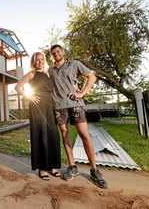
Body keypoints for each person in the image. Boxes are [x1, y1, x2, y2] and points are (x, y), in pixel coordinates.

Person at [49, 44, 107, 189]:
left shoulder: (74, 64)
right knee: (65, 134)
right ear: (52, 56)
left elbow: (92, 77)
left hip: (75, 105)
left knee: (84, 134)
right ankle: (72, 166)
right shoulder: (50, 70)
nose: (56, 53)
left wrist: (82, 92)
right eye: (53, 52)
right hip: (59, 107)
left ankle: (94, 170)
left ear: (63, 52)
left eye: (58, 51)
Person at [15, 52, 61, 180]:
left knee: (53, 134)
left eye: (42, 59)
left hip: (50, 106)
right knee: (40, 134)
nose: (40, 62)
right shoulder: (32, 74)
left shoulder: (49, 73)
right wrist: (29, 96)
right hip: (37, 107)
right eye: (37, 60)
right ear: (33, 62)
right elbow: (18, 87)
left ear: (44, 60)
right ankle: (42, 168)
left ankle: (53, 166)